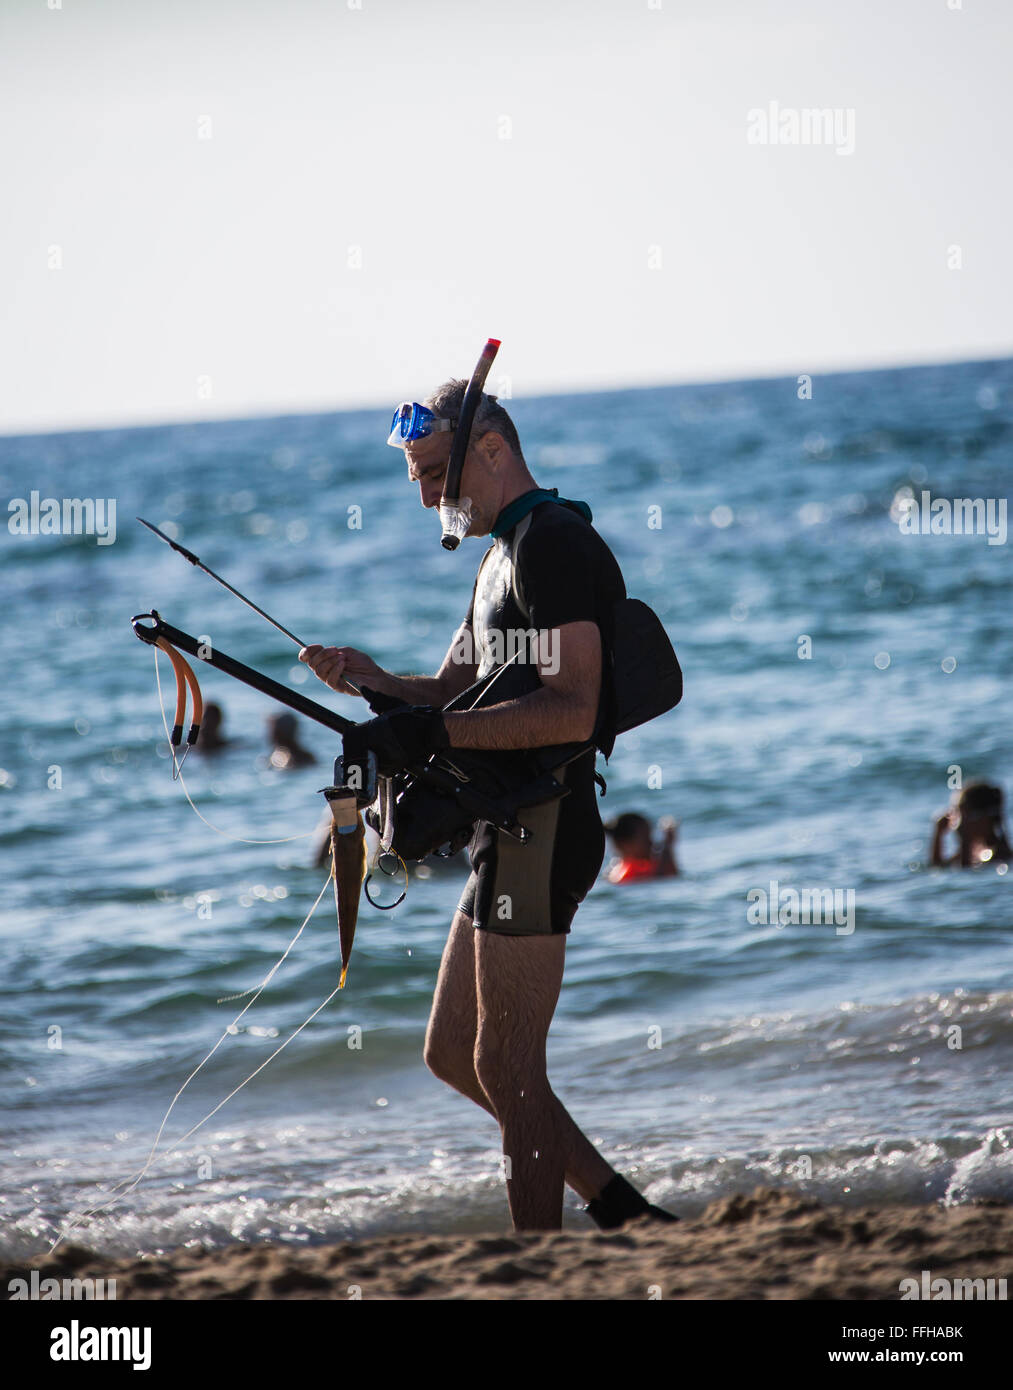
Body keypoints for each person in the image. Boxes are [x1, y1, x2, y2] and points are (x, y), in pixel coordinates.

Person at [299, 379, 677, 1232]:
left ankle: (537, 1257)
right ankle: (623, 1211)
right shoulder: (497, 556)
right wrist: (371, 680)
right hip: (502, 829)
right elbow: (451, 693)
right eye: (416, 481)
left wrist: (430, 725)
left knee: (506, 1067)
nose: (429, 496)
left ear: (493, 449)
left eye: (436, 473)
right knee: (454, 1054)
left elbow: (572, 706)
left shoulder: (554, 545)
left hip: (546, 825)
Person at [931, 781, 1012, 867]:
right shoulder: (973, 852)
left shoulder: (1000, 854)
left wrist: (965, 841)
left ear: (984, 819)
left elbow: (965, 874)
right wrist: (939, 836)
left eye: (961, 815)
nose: (957, 823)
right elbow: (937, 867)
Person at [605, 812, 678, 882]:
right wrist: (667, 846)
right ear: (626, 845)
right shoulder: (630, 872)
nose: (651, 843)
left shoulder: (617, 869)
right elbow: (666, 876)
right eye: (646, 839)